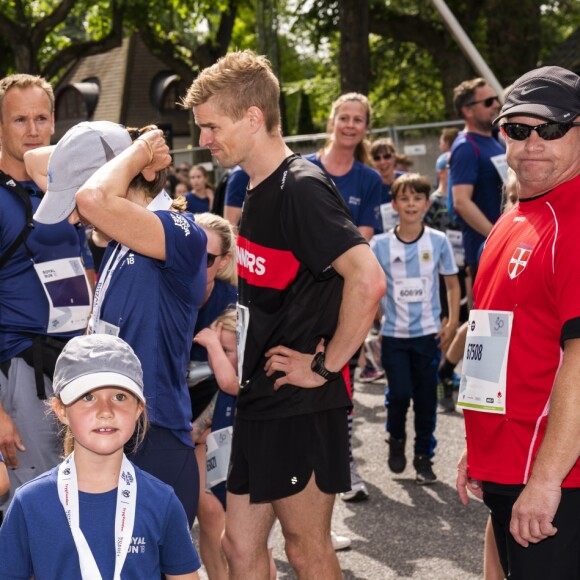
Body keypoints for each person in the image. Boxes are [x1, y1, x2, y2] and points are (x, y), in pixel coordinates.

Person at [183, 50, 386, 579]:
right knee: (239, 548)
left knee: (305, 548)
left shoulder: (301, 186)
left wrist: (324, 366)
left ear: (253, 117)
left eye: (211, 126)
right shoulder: (252, 185)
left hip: (300, 403)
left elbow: (368, 279)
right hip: (257, 400)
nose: (205, 140)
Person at [25, 120, 208, 527]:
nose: (74, 218)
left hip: (154, 440)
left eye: (73, 198)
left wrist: (141, 150)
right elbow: (34, 160)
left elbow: (92, 197)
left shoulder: (180, 232)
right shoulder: (115, 235)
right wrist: (115, 146)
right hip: (108, 438)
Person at [456, 65, 580, 579]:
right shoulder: (514, 218)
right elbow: (491, 340)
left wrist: (548, 479)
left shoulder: (572, 224)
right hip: (508, 466)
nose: (532, 143)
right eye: (517, 128)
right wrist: (480, 447)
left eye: (550, 129)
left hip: (557, 484)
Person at [0, 333, 201, 579]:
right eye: (88, 396)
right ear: (61, 410)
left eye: (120, 397)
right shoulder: (29, 502)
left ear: (139, 408)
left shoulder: (161, 501)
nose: (105, 411)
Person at [0, 74, 93, 512]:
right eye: (20, 119)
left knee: (77, 506)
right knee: (35, 510)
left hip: (74, 368)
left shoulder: (66, 192)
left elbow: (87, 275)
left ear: (55, 121)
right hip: (21, 370)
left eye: (41, 117)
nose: (32, 129)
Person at [305, 92, 382, 503]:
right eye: (344, 117)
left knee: (337, 381)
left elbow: (363, 243)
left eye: (359, 120)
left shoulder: (369, 180)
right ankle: (300, 465)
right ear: (332, 119)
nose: (351, 125)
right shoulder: (304, 168)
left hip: (344, 296)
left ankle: (342, 462)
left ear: (366, 127)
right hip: (299, 294)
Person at [373, 173, 459, 484]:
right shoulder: (379, 245)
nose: (411, 204)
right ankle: (396, 439)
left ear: (426, 202)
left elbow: (451, 282)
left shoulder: (437, 240)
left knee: (425, 400)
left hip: (427, 337)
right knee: (399, 395)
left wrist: (450, 321)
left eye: (417, 198)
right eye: (404, 198)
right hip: (395, 337)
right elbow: (370, 288)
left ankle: (424, 457)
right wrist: (376, 322)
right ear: (394, 204)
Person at [449, 77, 506, 279]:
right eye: (488, 101)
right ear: (468, 110)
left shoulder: (493, 140)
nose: (497, 105)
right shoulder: (466, 147)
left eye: (496, 99)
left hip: (502, 246)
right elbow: (461, 202)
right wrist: (497, 236)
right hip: (486, 251)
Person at [370, 137, 405, 233]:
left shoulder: (406, 181)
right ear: (372, 161)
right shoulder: (369, 186)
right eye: (377, 158)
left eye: (387, 156)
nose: (382, 162)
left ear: (394, 158)